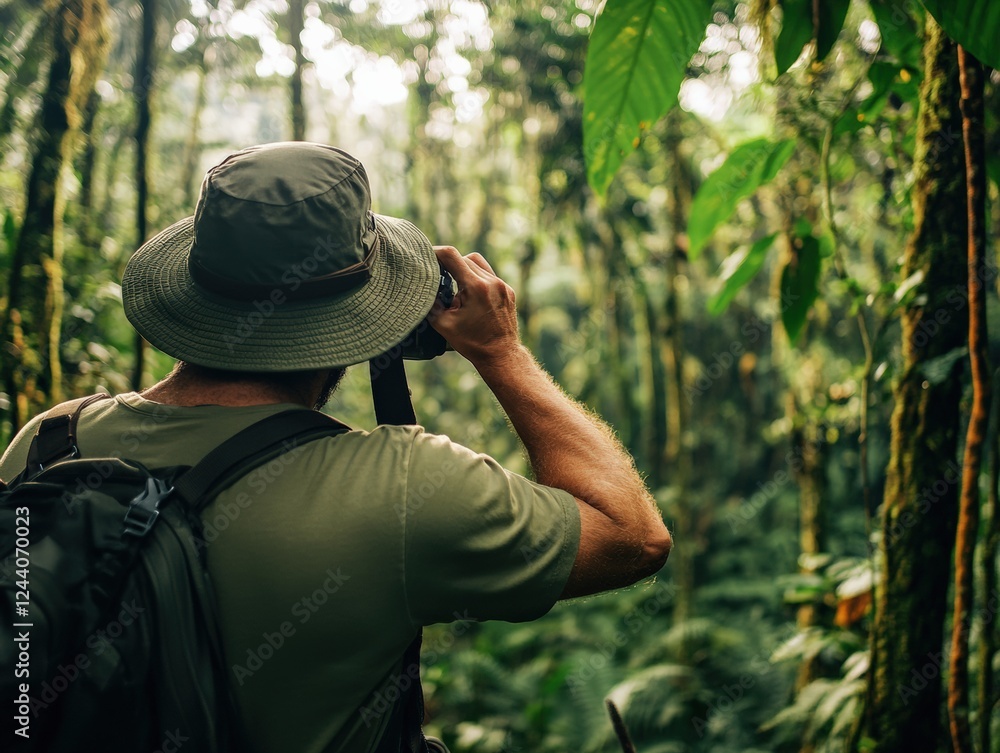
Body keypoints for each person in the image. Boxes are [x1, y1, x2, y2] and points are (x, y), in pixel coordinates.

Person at [0, 142, 671, 752]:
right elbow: (633, 535)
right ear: (363, 319)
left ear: (195, 288)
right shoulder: (405, 485)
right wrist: (503, 353)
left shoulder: (51, 443)